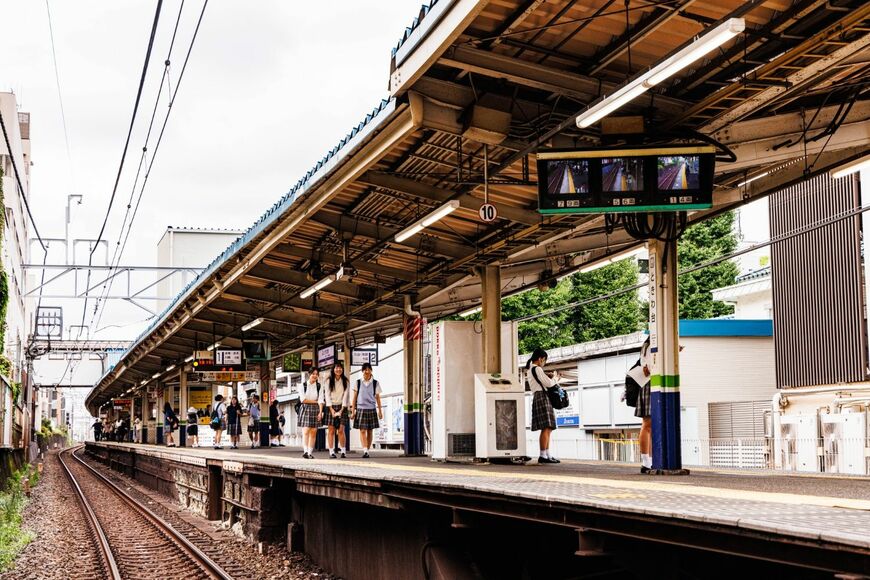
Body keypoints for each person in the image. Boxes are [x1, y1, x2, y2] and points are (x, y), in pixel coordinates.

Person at [527, 347, 560, 464]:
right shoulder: (537, 369)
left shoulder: (532, 369)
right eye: (544, 360)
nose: (544, 363)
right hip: (542, 397)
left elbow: (544, 381)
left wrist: (549, 377)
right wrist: (555, 378)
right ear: (540, 359)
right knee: (546, 427)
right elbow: (549, 384)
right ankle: (543, 455)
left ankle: (546, 454)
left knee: (548, 428)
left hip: (539, 397)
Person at [350, 362, 382, 459]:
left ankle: (367, 449)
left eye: (368, 369)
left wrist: (380, 411)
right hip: (360, 409)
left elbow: (378, 398)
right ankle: (365, 450)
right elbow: (354, 397)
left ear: (371, 370)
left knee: (370, 431)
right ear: (362, 371)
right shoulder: (358, 382)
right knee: (362, 430)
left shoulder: (375, 383)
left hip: (371, 408)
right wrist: (353, 411)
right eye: (364, 369)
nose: (366, 371)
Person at [319, 362, 350, 458]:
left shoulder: (346, 381)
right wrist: (331, 409)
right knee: (331, 430)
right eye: (336, 368)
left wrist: (342, 409)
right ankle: (331, 452)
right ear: (333, 369)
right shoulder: (328, 380)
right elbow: (327, 395)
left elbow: (346, 395)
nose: (338, 370)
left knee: (341, 430)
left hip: (342, 407)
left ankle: (343, 451)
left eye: (340, 368)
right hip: (330, 407)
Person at [635, 337, 653, 473]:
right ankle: (647, 461)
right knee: (648, 424)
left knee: (649, 425)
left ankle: (649, 460)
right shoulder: (651, 345)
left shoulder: (646, 346)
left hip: (649, 384)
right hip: (651, 384)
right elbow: (649, 368)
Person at [298, 368, 320, 459]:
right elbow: (303, 400)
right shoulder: (302, 385)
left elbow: (321, 400)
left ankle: (310, 452)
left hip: (316, 409)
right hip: (305, 408)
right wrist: (316, 402)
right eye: (313, 374)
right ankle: (305, 451)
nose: (315, 375)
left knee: (314, 431)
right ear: (309, 374)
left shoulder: (319, 386)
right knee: (306, 430)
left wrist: (320, 412)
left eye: (316, 374)